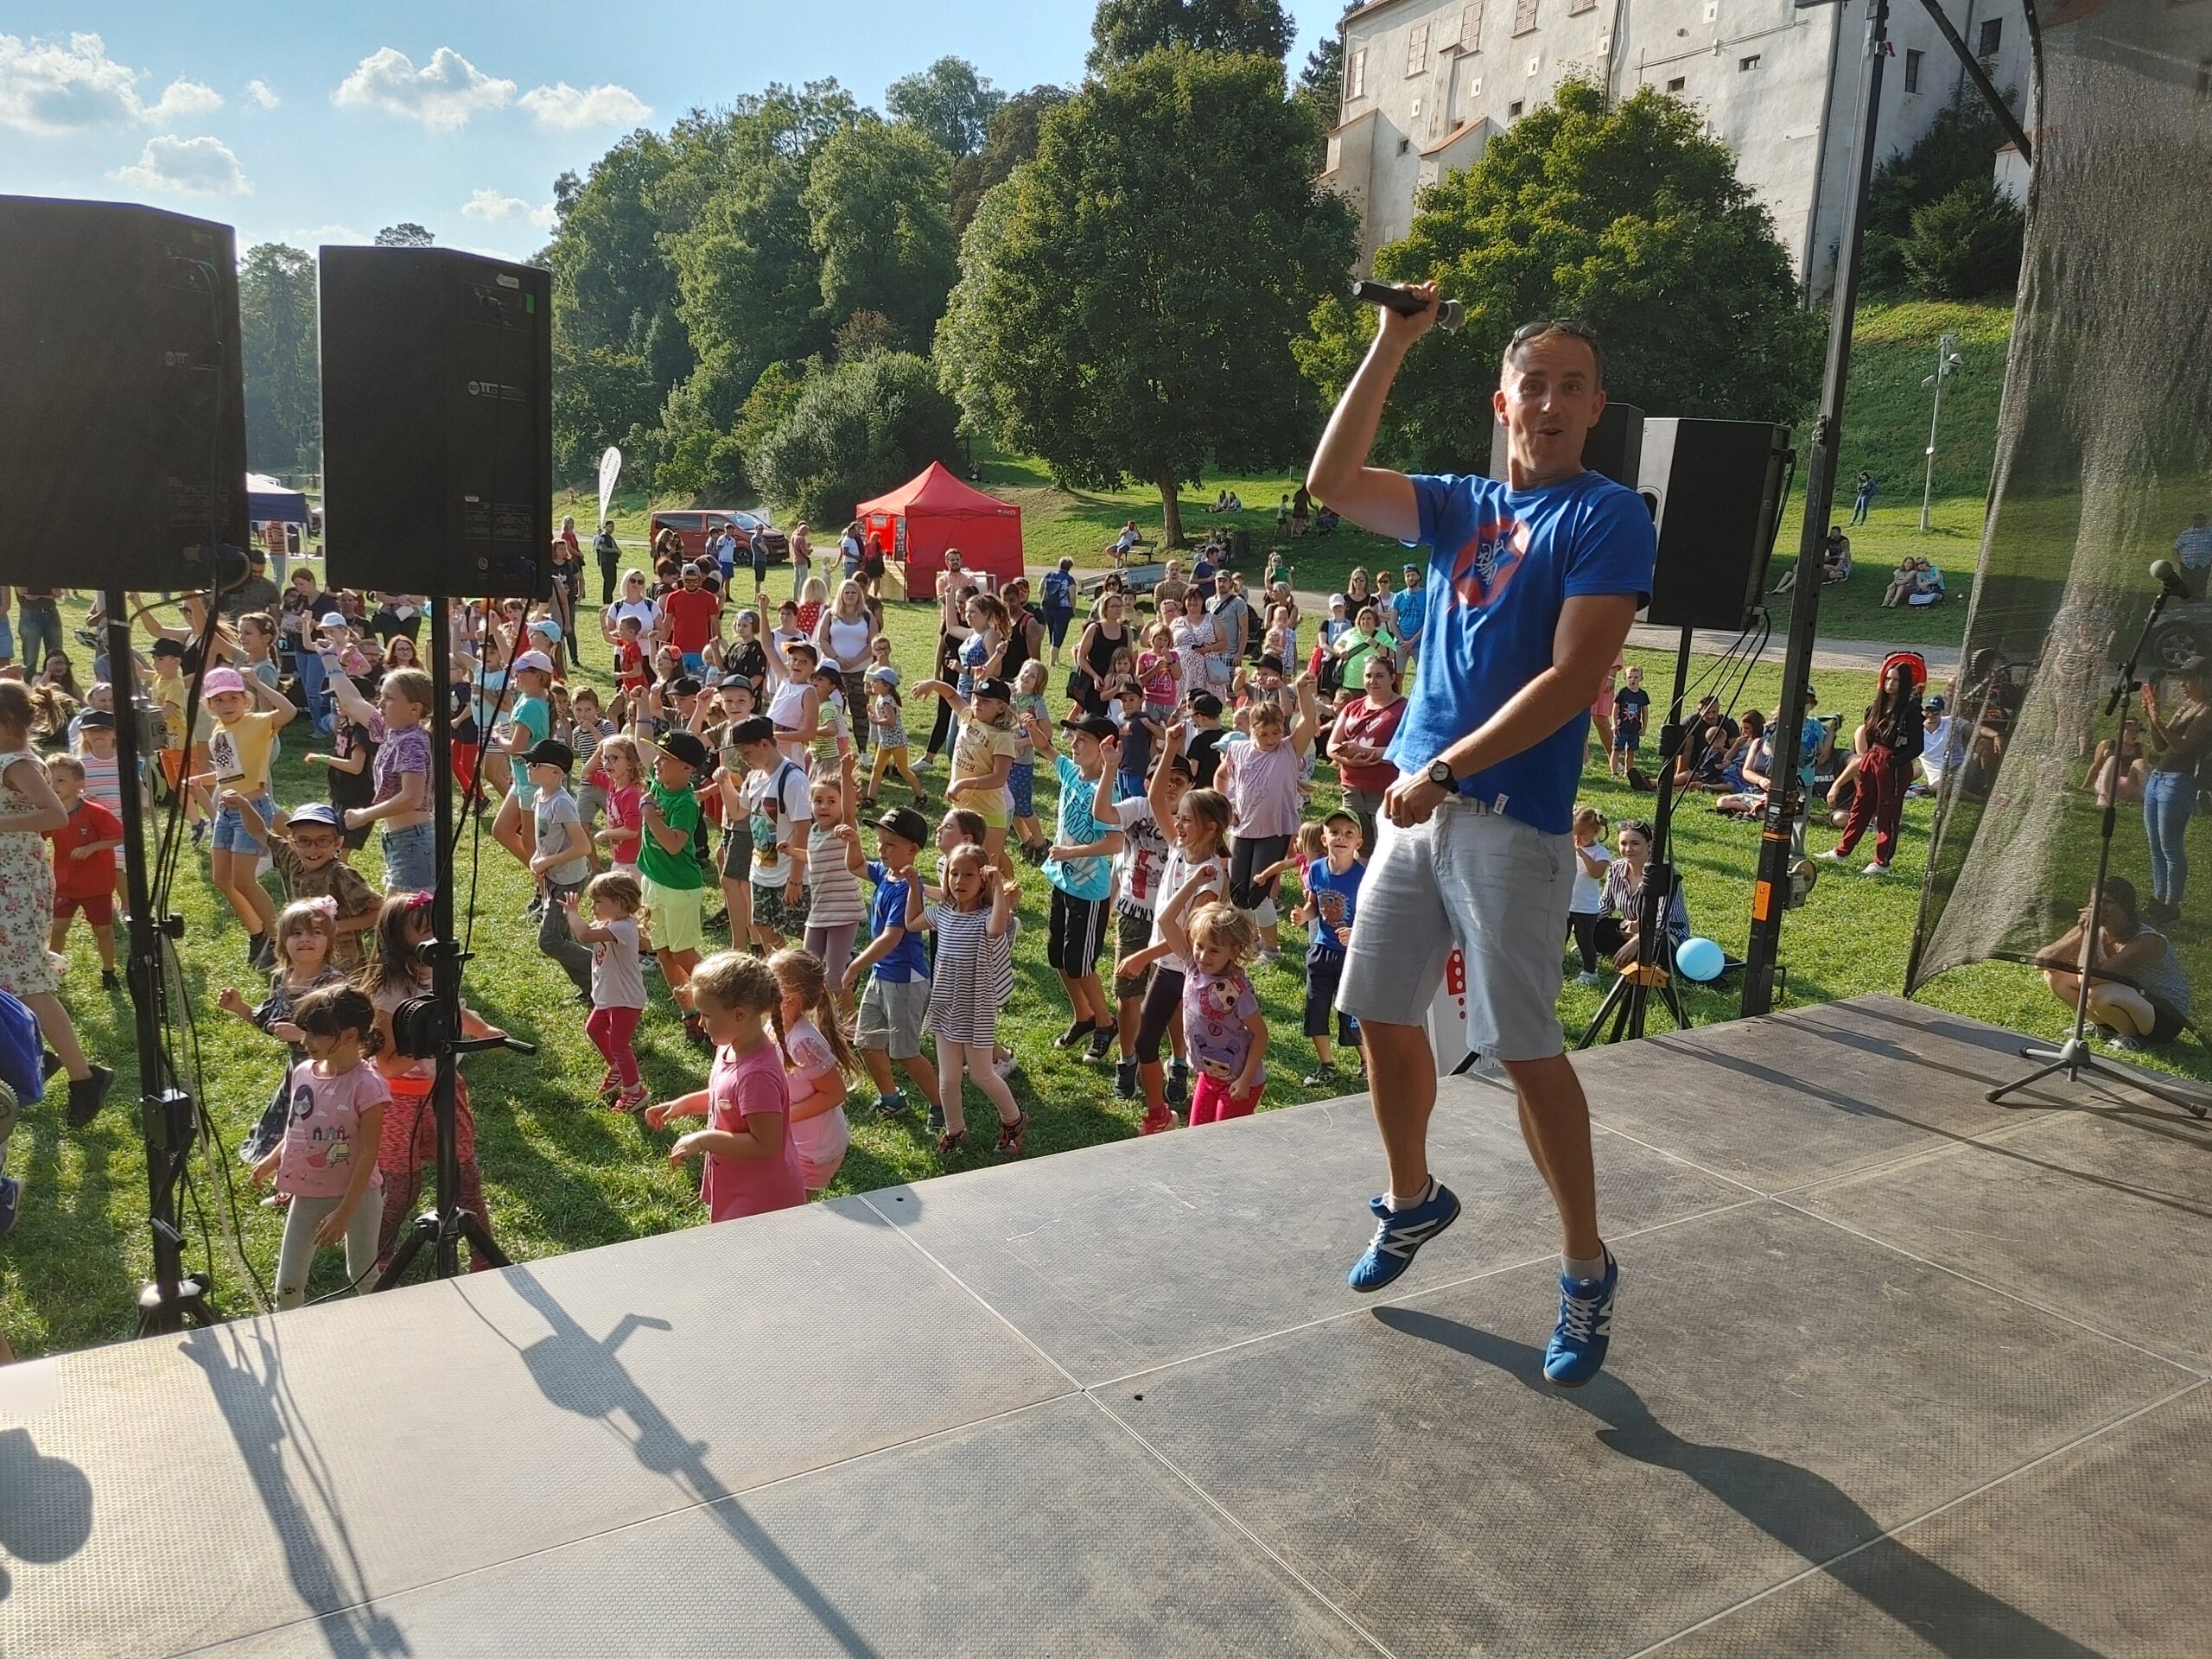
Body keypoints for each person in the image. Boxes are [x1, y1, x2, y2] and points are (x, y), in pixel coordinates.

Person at [1309, 296, 1656, 1388]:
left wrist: (1447, 768)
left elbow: (1572, 679)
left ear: (1595, 408)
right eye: (1531, 385)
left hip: (1503, 820)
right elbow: (1330, 484)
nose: (1548, 404)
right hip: (1417, 809)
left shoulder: (1606, 516)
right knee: (1375, 1010)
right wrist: (1391, 342)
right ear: (1501, 403)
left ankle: (1585, 1267)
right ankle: (1414, 1201)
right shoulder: (1457, 505)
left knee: (1520, 1046)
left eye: (1570, 386)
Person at [250, 985, 388, 1310]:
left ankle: (390, 1329)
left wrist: (344, 1213)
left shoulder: (368, 1086)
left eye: (315, 1034)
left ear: (350, 1035)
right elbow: (298, 1126)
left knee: (363, 1274)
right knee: (287, 1284)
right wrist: (274, 1159)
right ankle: (292, 1341)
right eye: (305, 1032)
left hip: (358, 1197)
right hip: (308, 1196)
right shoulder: (302, 1074)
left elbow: (369, 1153)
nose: (304, 1041)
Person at [646, 951, 806, 1222]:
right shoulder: (730, 1047)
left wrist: (703, 1139)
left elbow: (766, 1144)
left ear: (739, 1014)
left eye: (706, 1015)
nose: (699, 1022)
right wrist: (683, 1105)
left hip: (762, 1199)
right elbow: (726, 1097)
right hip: (740, 1184)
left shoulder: (757, 1076)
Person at [1118, 779, 1232, 1135]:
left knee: (1170, 1044)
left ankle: (1171, 1115)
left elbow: (1188, 939)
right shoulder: (1179, 848)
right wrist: (1170, 744)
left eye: (1186, 819)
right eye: (1178, 818)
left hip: (1182, 972)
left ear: (1210, 827)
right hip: (1166, 967)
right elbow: (1155, 798)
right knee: (1149, 1040)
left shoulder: (1211, 879)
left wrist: (1142, 957)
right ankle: (1160, 1114)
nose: (1177, 824)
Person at [1025, 709, 1126, 1061]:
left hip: (1090, 892)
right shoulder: (1069, 771)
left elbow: (1115, 845)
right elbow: (1047, 748)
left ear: (1105, 748)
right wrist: (1032, 728)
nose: (1074, 744)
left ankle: (1105, 1022)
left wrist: (1071, 851)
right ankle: (1083, 1016)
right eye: (1074, 738)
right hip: (1062, 882)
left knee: (1081, 964)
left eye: (1083, 740)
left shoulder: (1107, 791)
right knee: (1059, 957)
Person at [914, 843, 1027, 1156]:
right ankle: (955, 1130)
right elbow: (912, 922)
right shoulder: (944, 913)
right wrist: (913, 885)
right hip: (945, 1006)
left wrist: (999, 889)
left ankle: (1014, 1120)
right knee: (948, 1079)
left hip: (975, 1009)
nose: (959, 881)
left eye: (968, 875)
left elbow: (997, 927)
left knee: (981, 1075)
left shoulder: (987, 917)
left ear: (982, 881)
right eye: (953, 873)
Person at [220, 898, 349, 1171]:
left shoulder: (333, 983)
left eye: (315, 932)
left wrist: (303, 1036)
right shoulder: (282, 978)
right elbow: (272, 1024)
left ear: (329, 940)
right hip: (297, 1072)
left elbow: (345, 1036)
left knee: (322, 1138)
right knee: (288, 1135)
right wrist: (240, 1007)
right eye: (296, 933)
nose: (306, 939)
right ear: (283, 941)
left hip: (331, 1075)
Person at [843, 804, 944, 1122]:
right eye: (880, 842)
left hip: (904, 979)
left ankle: (942, 1107)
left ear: (912, 850)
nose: (881, 849)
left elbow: (892, 937)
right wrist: (853, 842)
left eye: (890, 844)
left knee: (905, 1052)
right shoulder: (886, 873)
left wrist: (854, 965)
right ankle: (891, 1098)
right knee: (868, 1042)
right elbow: (857, 865)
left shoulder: (907, 886)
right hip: (882, 973)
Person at [197, 664, 297, 967]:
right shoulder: (220, 730)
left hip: (251, 809)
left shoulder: (256, 722)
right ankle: (259, 934)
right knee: (222, 879)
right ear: (209, 705)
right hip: (228, 811)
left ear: (245, 700)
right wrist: (204, 780)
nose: (226, 705)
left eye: (233, 698)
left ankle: (280, 942)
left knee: (244, 881)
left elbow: (289, 710)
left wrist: (256, 682)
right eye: (219, 700)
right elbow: (232, 773)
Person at [1218, 675, 1320, 961]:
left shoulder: (1289, 749)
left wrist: (1301, 689)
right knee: (1238, 894)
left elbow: (1309, 718)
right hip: (1242, 829)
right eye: (1263, 735)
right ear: (1252, 731)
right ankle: (1249, 941)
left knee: (1258, 893)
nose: (1270, 740)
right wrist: (1227, 807)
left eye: (1275, 733)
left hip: (1275, 830)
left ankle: (1271, 949)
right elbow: (1221, 776)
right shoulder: (1237, 749)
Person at [2034, 877, 2193, 1050]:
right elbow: (2041, 962)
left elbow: (2090, 979)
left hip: (2165, 1017)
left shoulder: (2146, 941)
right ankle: (2105, 1027)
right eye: (2094, 902)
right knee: (2055, 976)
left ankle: (2134, 1037)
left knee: (2097, 993)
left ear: (2126, 908)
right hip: (2130, 999)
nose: (2099, 908)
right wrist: (2081, 932)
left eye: (2108, 902)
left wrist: (2090, 932)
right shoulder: (2097, 929)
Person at [226, 799, 381, 974]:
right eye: (304, 841)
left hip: (341, 966)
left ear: (338, 843)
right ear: (292, 842)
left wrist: (335, 927)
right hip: (302, 958)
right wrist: (245, 806)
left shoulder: (341, 875)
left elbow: (380, 911)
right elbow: (259, 831)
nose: (312, 849)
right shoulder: (291, 858)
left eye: (322, 841)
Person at [1157, 889, 1268, 1125]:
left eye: (1214, 950)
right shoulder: (1192, 968)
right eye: (1199, 946)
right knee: (1198, 1136)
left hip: (1238, 1081)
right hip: (1207, 1077)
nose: (1203, 956)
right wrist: (1195, 881)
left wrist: (1246, 1079)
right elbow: (1165, 920)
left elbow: (1260, 1034)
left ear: (1234, 951)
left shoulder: (1237, 990)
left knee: (1225, 1143)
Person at [637, 730, 713, 1039]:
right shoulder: (659, 784)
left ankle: (723, 998)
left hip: (679, 888)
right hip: (653, 882)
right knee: (664, 953)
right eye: (659, 755)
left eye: (666, 758)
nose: (657, 761)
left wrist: (649, 815)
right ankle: (691, 1014)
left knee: (684, 954)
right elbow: (643, 752)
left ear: (687, 768)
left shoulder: (684, 803)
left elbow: (673, 844)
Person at [1819, 660, 1923, 876]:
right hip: (1872, 758)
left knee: (1887, 812)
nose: (1890, 684)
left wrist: (1893, 762)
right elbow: (1869, 735)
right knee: (1860, 807)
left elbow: (1917, 746)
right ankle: (1842, 852)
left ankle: (1881, 862)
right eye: (1888, 679)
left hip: (1892, 763)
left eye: (1896, 680)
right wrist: (1869, 759)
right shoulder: (1875, 707)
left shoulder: (1911, 711)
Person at [563, 870, 650, 1113]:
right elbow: (581, 933)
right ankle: (617, 1069)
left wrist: (572, 913)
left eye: (599, 902)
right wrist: (572, 915)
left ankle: (635, 1091)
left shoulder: (623, 928)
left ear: (621, 903)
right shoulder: (610, 923)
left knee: (620, 1043)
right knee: (594, 1029)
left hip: (625, 998)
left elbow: (584, 934)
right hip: (609, 995)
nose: (593, 907)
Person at [1294, 810, 1365, 1088]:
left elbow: (1372, 918)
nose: (1341, 838)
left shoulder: (1363, 877)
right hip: (1321, 949)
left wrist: (1355, 933)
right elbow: (1315, 906)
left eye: (1349, 833)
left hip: (1351, 956)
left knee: (1350, 1010)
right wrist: (1304, 915)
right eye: (1334, 832)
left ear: (1358, 842)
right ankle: (1327, 1065)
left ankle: (1366, 1061)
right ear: (1324, 839)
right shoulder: (1316, 869)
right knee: (1316, 1006)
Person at [2139, 658, 2212, 922]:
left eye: (2188, 679)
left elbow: (2182, 747)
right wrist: (2151, 718)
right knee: (2154, 845)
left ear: (2204, 680)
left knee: (2171, 847)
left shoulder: (2206, 711)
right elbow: (2160, 746)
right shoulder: (2186, 706)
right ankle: (2158, 899)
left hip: (2180, 782)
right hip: (2159, 776)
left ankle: (2172, 905)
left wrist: (2158, 721)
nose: (2183, 685)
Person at [42, 753, 123, 990]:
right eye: (50, 781)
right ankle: (52, 973)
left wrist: (92, 847)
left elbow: (120, 835)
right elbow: (39, 836)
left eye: (61, 781)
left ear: (80, 785)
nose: (54, 787)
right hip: (65, 883)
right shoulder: (52, 814)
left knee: (103, 929)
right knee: (58, 928)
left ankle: (108, 971)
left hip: (96, 883)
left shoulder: (95, 812)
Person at [801, 753, 868, 1007]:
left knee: (835, 976)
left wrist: (846, 774)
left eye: (831, 801)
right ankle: (822, 1021)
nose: (824, 806)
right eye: (818, 801)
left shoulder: (843, 830)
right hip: (818, 913)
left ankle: (849, 1028)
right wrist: (790, 853)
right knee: (808, 970)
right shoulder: (814, 833)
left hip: (843, 912)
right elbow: (811, 858)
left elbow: (850, 813)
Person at [1594, 818, 1691, 972]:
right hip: (1630, 928)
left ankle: (1634, 954)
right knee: (1596, 928)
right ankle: (1625, 953)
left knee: (1659, 946)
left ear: (1650, 846)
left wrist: (1637, 940)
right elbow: (1606, 904)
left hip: (1665, 933)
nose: (1628, 849)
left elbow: (1664, 920)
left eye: (1635, 843)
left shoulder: (1665, 875)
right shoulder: (1616, 868)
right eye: (1623, 843)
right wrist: (1587, 922)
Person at [1565, 804, 1611, 987]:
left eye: (1583, 833)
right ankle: (1557, 962)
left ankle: (1591, 971)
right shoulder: (1568, 848)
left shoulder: (1600, 852)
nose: (1578, 838)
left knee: (1585, 941)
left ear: (1595, 831)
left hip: (1586, 908)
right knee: (1560, 936)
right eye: (1575, 833)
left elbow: (1596, 873)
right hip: (1567, 903)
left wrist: (1581, 852)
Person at [1610, 664, 1650, 781]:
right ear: (1625, 678)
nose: (1633, 680)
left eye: (1636, 677)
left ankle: (1628, 771)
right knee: (1617, 750)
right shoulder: (1622, 693)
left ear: (1641, 679)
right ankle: (1614, 772)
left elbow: (1645, 711)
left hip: (1635, 728)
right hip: (1622, 727)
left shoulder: (1642, 695)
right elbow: (1615, 708)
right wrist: (1614, 723)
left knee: (1631, 751)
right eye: (1630, 677)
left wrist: (1644, 726)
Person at [1040, 557, 1077, 668]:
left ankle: (1056, 659)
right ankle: (1052, 663)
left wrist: (1043, 601)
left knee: (1052, 632)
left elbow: (1040, 589)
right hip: (1063, 610)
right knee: (1059, 635)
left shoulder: (1049, 575)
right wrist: (1073, 609)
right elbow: (1072, 596)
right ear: (1070, 567)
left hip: (1047, 608)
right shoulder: (1069, 579)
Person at [594, 519, 622, 607]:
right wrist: (615, 550)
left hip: (612, 562)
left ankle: (609, 599)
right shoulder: (603, 536)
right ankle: (607, 601)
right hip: (606, 562)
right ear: (605, 527)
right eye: (610, 527)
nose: (612, 528)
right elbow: (603, 548)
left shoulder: (610, 537)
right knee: (609, 582)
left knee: (613, 581)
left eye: (613, 527)